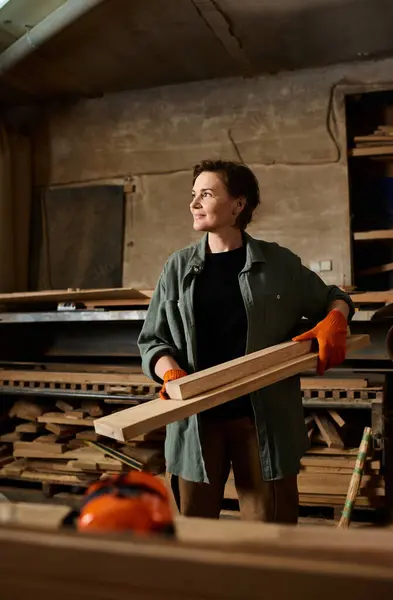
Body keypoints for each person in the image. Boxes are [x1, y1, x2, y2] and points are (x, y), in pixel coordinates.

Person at [138, 159, 354, 523]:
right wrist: (170, 374)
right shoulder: (176, 268)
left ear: (238, 204)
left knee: (270, 529)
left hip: (262, 418)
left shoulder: (279, 264)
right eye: (193, 195)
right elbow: (153, 340)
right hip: (196, 418)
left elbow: (335, 296)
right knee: (193, 527)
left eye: (206, 194)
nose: (193, 203)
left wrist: (336, 317)